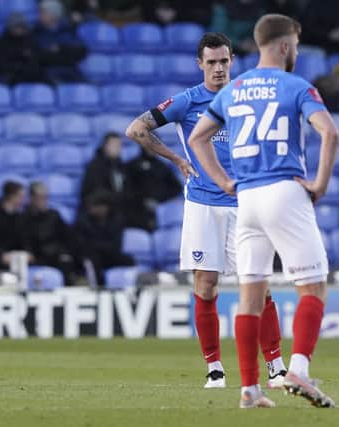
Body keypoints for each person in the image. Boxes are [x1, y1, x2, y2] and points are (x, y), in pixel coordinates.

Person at [189, 14, 339, 408]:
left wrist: (224, 181)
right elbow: (330, 131)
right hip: (284, 190)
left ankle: (250, 390)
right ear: (287, 45)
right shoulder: (297, 86)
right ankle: (300, 371)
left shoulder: (233, 89)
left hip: (247, 198)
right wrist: (319, 183)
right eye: (297, 45)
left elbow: (197, 137)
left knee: (249, 295)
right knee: (314, 286)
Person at [125, 32, 286, 390]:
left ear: (232, 62)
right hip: (203, 205)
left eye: (224, 61)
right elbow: (136, 129)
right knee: (206, 285)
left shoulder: (248, 97)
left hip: (246, 204)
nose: (218, 68)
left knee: (259, 286)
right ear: (200, 65)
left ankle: (276, 366)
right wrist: (176, 158)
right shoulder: (186, 102)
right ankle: (215, 368)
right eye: (211, 62)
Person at [21, 182, 81, 286]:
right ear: (31, 198)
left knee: (67, 260)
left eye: (45, 197)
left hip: (54, 255)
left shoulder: (54, 215)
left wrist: (64, 252)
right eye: (40, 197)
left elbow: (67, 237)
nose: (43, 201)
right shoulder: (23, 218)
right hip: (34, 256)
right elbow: (22, 240)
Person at [75, 191, 134, 287]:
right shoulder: (83, 221)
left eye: (94, 206)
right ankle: (98, 287)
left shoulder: (116, 220)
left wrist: (99, 245)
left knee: (130, 261)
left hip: (109, 253)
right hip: (92, 255)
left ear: (104, 208)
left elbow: (115, 245)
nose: (91, 209)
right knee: (91, 260)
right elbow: (83, 244)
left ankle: (130, 286)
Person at [124, 147, 183, 231]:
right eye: (149, 144)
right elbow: (126, 188)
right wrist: (142, 200)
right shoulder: (132, 165)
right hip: (135, 211)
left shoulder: (162, 166)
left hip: (158, 209)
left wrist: (158, 200)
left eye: (153, 145)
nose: (151, 149)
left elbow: (177, 187)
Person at [34, 0, 87, 82]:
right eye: (40, 12)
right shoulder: (36, 33)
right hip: (47, 73)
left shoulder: (68, 31)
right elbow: (38, 54)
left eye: (43, 12)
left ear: (54, 14)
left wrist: (60, 48)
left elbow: (81, 51)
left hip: (71, 72)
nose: (39, 15)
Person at [79, 132, 127, 216]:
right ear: (105, 146)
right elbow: (97, 193)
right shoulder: (95, 167)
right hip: (100, 213)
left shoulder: (121, 167)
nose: (118, 148)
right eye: (114, 145)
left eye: (119, 145)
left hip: (119, 212)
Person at [0, 13, 47, 84]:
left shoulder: (30, 39)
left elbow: (37, 57)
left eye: (21, 26)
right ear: (10, 27)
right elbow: (3, 62)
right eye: (16, 26)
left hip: (31, 73)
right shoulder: (3, 42)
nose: (19, 29)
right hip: (13, 74)